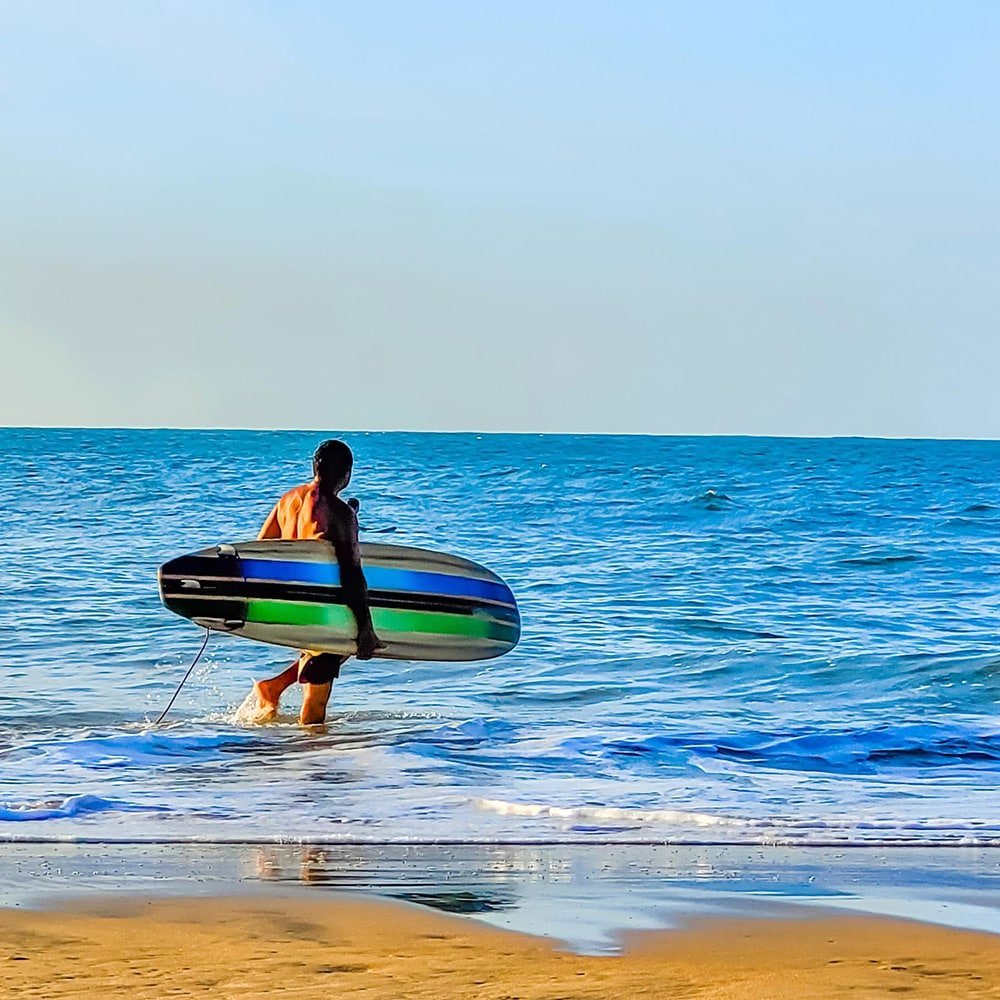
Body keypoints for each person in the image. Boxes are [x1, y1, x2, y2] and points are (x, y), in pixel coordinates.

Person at [250, 440, 382, 724]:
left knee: (326, 658)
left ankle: (274, 688)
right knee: (317, 694)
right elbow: (351, 572)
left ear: (314, 467)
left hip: (291, 604)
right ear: (347, 475)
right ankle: (312, 761)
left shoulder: (287, 501)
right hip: (322, 609)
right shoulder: (339, 512)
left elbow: (261, 550)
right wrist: (365, 628)